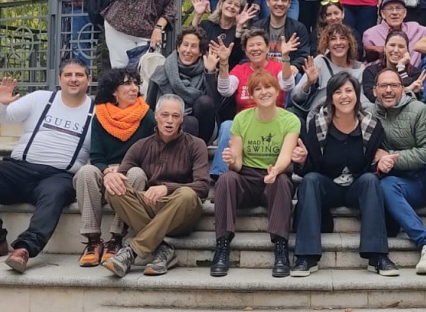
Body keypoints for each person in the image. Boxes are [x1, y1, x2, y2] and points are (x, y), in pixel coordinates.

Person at [0, 59, 94, 273]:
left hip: (59, 176)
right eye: (68, 74)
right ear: (59, 79)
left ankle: (24, 249)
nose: (73, 79)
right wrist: (0, 103)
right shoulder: (41, 99)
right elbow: (2, 117)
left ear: (88, 80)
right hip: (21, 168)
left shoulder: (96, 111)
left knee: (54, 195)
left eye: (79, 75)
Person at [289, 73, 398, 277]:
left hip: (356, 187)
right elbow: (310, 168)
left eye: (349, 90)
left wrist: (381, 165)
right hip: (328, 186)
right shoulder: (317, 124)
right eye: (337, 92)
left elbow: (372, 166)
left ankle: (377, 256)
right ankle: (306, 257)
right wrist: (302, 160)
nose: (344, 96)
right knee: (310, 181)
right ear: (330, 97)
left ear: (357, 94)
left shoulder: (372, 126)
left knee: (370, 180)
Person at [102, 94, 210, 277]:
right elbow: (120, 174)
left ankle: (132, 251)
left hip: (181, 211)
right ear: (156, 116)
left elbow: (203, 187)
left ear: (182, 119)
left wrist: (166, 188)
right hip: (150, 206)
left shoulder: (196, 145)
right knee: (114, 191)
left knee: (187, 194)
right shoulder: (141, 145)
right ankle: (163, 250)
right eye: (165, 115)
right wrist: (109, 177)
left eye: (175, 116)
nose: (169, 121)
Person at [211, 70, 300, 278]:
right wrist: (232, 161)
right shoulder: (241, 119)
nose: (263, 92)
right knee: (225, 179)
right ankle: (222, 246)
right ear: (251, 95)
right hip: (247, 176)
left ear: (277, 90)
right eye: (257, 89)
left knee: (283, 183)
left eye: (268, 87)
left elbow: (286, 156)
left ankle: (280, 248)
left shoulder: (290, 120)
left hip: (274, 172)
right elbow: (238, 165)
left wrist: (275, 171)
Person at [372, 68, 426, 275]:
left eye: (394, 85)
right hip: (403, 186)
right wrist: (379, 161)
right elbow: (368, 153)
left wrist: (391, 157)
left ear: (402, 89)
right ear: (374, 90)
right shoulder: (368, 115)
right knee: (385, 186)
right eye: (383, 86)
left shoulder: (419, 110)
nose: (388, 90)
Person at [73, 67, 155, 267]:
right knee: (85, 172)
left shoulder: (146, 114)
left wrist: (122, 170)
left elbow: (148, 154)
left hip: (131, 171)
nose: (133, 88)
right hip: (105, 172)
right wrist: (107, 171)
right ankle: (93, 241)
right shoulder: (101, 114)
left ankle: (116, 239)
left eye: (136, 83)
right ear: (114, 91)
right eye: (127, 84)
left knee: (136, 174)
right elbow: (96, 156)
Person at [211, 29, 299, 177]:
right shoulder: (240, 70)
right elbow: (225, 90)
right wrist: (224, 62)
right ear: (245, 51)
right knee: (227, 126)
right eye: (251, 46)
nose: (256, 48)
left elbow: (287, 86)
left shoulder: (277, 67)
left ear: (267, 48)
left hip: (273, 121)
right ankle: (220, 175)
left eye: (259, 44)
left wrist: (285, 58)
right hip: (246, 123)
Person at [146, 27, 221, 144]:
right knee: (189, 122)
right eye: (185, 45)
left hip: (202, 132)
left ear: (201, 52)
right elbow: (149, 106)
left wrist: (210, 73)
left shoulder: (206, 70)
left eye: (194, 46)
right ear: (178, 47)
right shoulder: (161, 72)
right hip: (169, 126)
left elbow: (215, 106)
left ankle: (198, 149)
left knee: (204, 103)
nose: (188, 50)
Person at [290, 24, 366, 123]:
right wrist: (308, 83)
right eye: (333, 39)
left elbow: (363, 102)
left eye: (343, 38)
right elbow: (295, 97)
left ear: (349, 42)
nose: (338, 43)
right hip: (319, 116)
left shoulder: (360, 69)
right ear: (327, 44)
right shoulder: (319, 62)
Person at [191, 0, 259, 71]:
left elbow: (237, 58)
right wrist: (198, 15)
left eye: (237, 5)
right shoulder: (206, 25)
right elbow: (191, 38)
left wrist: (239, 27)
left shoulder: (242, 33)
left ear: (240, 12)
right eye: (229, 3)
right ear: (221, 5)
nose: (232, 6)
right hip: (203, 70)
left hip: (229, 74)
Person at [251, 0, 312, 74]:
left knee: (298, 76)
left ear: (289, 4)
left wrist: (295, 65)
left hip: (287, 71)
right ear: (268, 2)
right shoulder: (257, 28)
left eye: (284, 0)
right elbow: (247, 54)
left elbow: (304, 54)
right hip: (261, 72)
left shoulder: (298, 28)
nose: (279, 3)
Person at [362, 0, 426, 65]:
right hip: (385, 73)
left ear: (404, 13)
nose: (395, 13)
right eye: (390, 9)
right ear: (383, 14)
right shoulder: (370, 34)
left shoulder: (415, 28)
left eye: (398, 8)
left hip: (413, 73)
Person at [362, 31, 426, 102]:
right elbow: (372, 98)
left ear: (407, 51)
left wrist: (401, 69)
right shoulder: (371, 71)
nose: (396, 50)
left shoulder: (416, 73)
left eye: (401, 47)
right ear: (385, 48)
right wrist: (409, 89)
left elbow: (414, 100)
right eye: (392, 45)